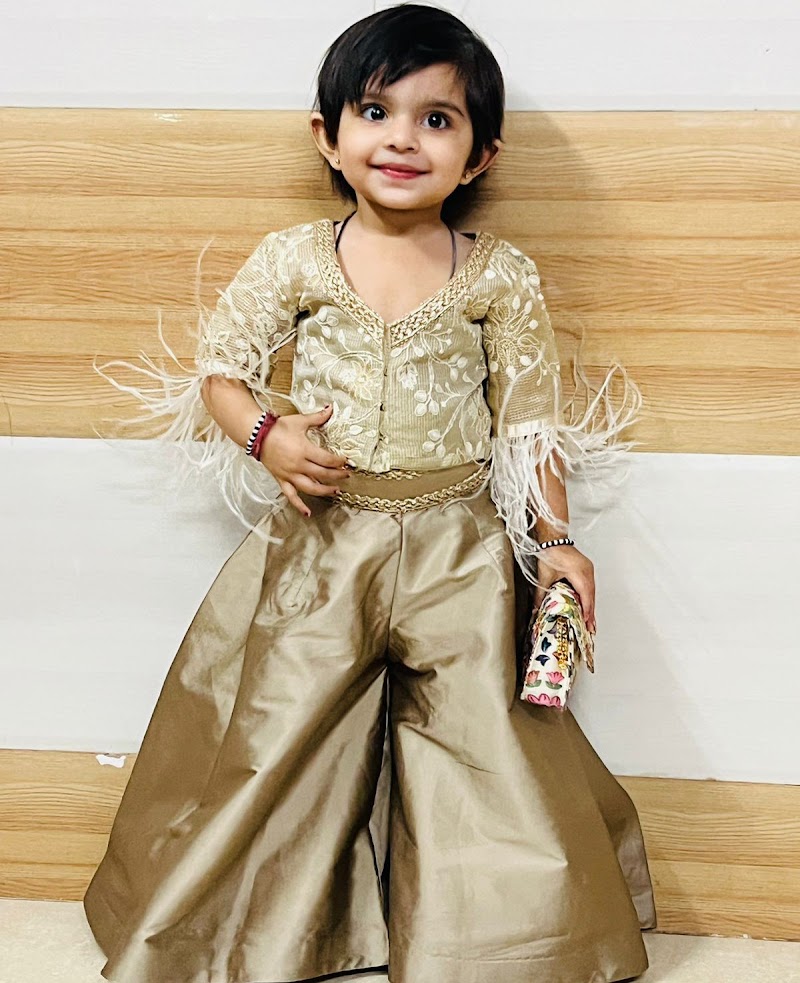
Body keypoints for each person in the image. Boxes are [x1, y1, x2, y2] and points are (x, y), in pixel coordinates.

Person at [83, 5, 656, 982]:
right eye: (375, 111)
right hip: (323, 537)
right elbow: (222, 371)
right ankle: (242, 930)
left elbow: (528, 424)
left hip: (461, 547)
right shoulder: (295, 258)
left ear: (480, 156)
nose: (401, 139)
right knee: (275, 731)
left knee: (488, 739)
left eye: (437, 119)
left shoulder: (498, 277)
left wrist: (554, 540)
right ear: (328, 134)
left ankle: (503, 943)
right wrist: (267, 437)